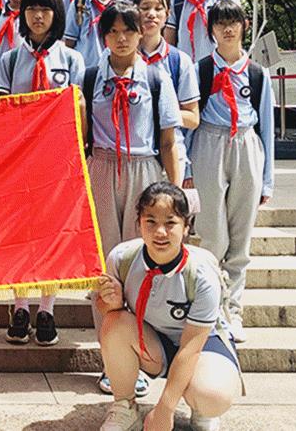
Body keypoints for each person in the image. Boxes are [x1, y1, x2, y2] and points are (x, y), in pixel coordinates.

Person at [86, 1, 181, 397]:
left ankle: (138, 356)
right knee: (105, 265)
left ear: (142, 33)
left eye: (128, 30)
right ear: (103, 37)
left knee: (142, 263)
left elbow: (168, 140)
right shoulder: (90, 77)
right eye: (113, 31)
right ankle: (110, 359)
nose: (121, 38)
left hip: (144, 170)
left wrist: (176, 196)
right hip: (102, 168)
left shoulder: (156, 77)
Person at [97, 182, 241, 431]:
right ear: (139, 224)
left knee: (213, 396)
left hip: (202, 347)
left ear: (186, 227)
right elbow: (106, 311)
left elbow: (191, 347)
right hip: (154, 343)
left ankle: (202, 409)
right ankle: (124, 406)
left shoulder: (201, 274)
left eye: (170, 222)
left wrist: (165, 409)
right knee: (114, 323)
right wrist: (112, 303)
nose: (160, 232)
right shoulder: (122, 258)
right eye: (150, 221)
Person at [0, 0, 85, 346]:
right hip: (19, 161)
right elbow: (0, 112)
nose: (37, 16)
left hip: (57, 161)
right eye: (31, 9)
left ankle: (47, 307)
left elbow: (79, 112)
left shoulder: (72, 60)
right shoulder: (9, 59)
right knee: (18, 234)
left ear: (56, 15)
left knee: (53, 234)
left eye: (45, 9)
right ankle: (19, 305)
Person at [186, 0, 274, 344]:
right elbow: (190, 121)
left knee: (240, 238)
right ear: (211, 30)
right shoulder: (201, 69)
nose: (227, 29)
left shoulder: (257, 73)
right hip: (209, 144)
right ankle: (210, 308)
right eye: (220, 23)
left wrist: (267, 180)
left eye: (233, 22)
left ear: (244, 26)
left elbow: (266, 128)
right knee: (212, 236)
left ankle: (233, 311)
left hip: (246, 144)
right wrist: (186, 168)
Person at [134, 0, 200, 184]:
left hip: (170, 156)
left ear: (167, 14)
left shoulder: (179, 61)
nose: (151, 14)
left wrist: (156, 110)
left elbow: (193, 118)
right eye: (144, 8)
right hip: (133, 156)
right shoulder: (118, 57)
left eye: (158, 8)